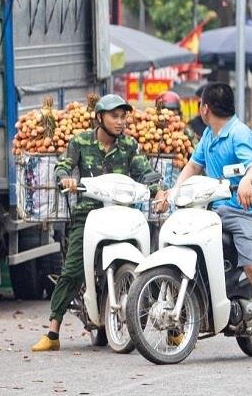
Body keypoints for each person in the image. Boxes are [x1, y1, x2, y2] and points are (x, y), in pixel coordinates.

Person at [32, 94, 164, 351]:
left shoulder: (129, 145)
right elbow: (64, 166)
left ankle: (169, 325)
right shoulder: (80, 141)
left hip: (122, 213)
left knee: (150, 263)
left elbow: (144, 171)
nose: (120, 121)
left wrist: (158, 189)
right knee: (72, 270)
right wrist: (65, 179)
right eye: (114, 116)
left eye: (123, 116)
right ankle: (53, 331)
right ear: (99, 117)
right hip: (88, 216)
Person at [169, 82, 252, 361]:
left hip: (247, 214)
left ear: (204, 108)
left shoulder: (240, 134)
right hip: (216, 210)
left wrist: (246, 181)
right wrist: (173, 191)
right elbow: (194, 165)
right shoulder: (210, 134)